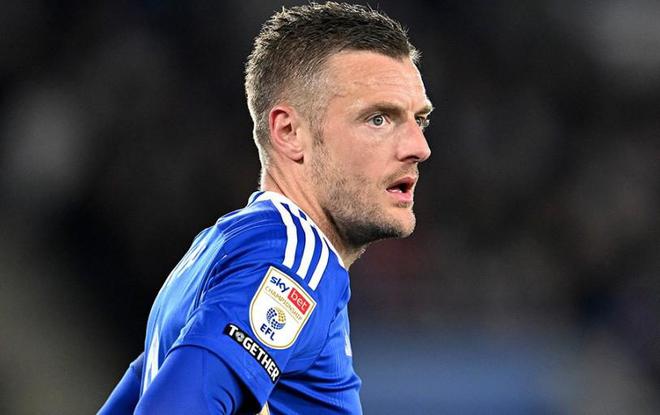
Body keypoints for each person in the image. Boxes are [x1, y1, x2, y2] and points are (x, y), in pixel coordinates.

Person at [99, 2, 431, 414]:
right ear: (289, 132)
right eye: (378, 118)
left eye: (420, 120)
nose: (419, 147)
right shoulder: (292, 260)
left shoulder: (221, 248)